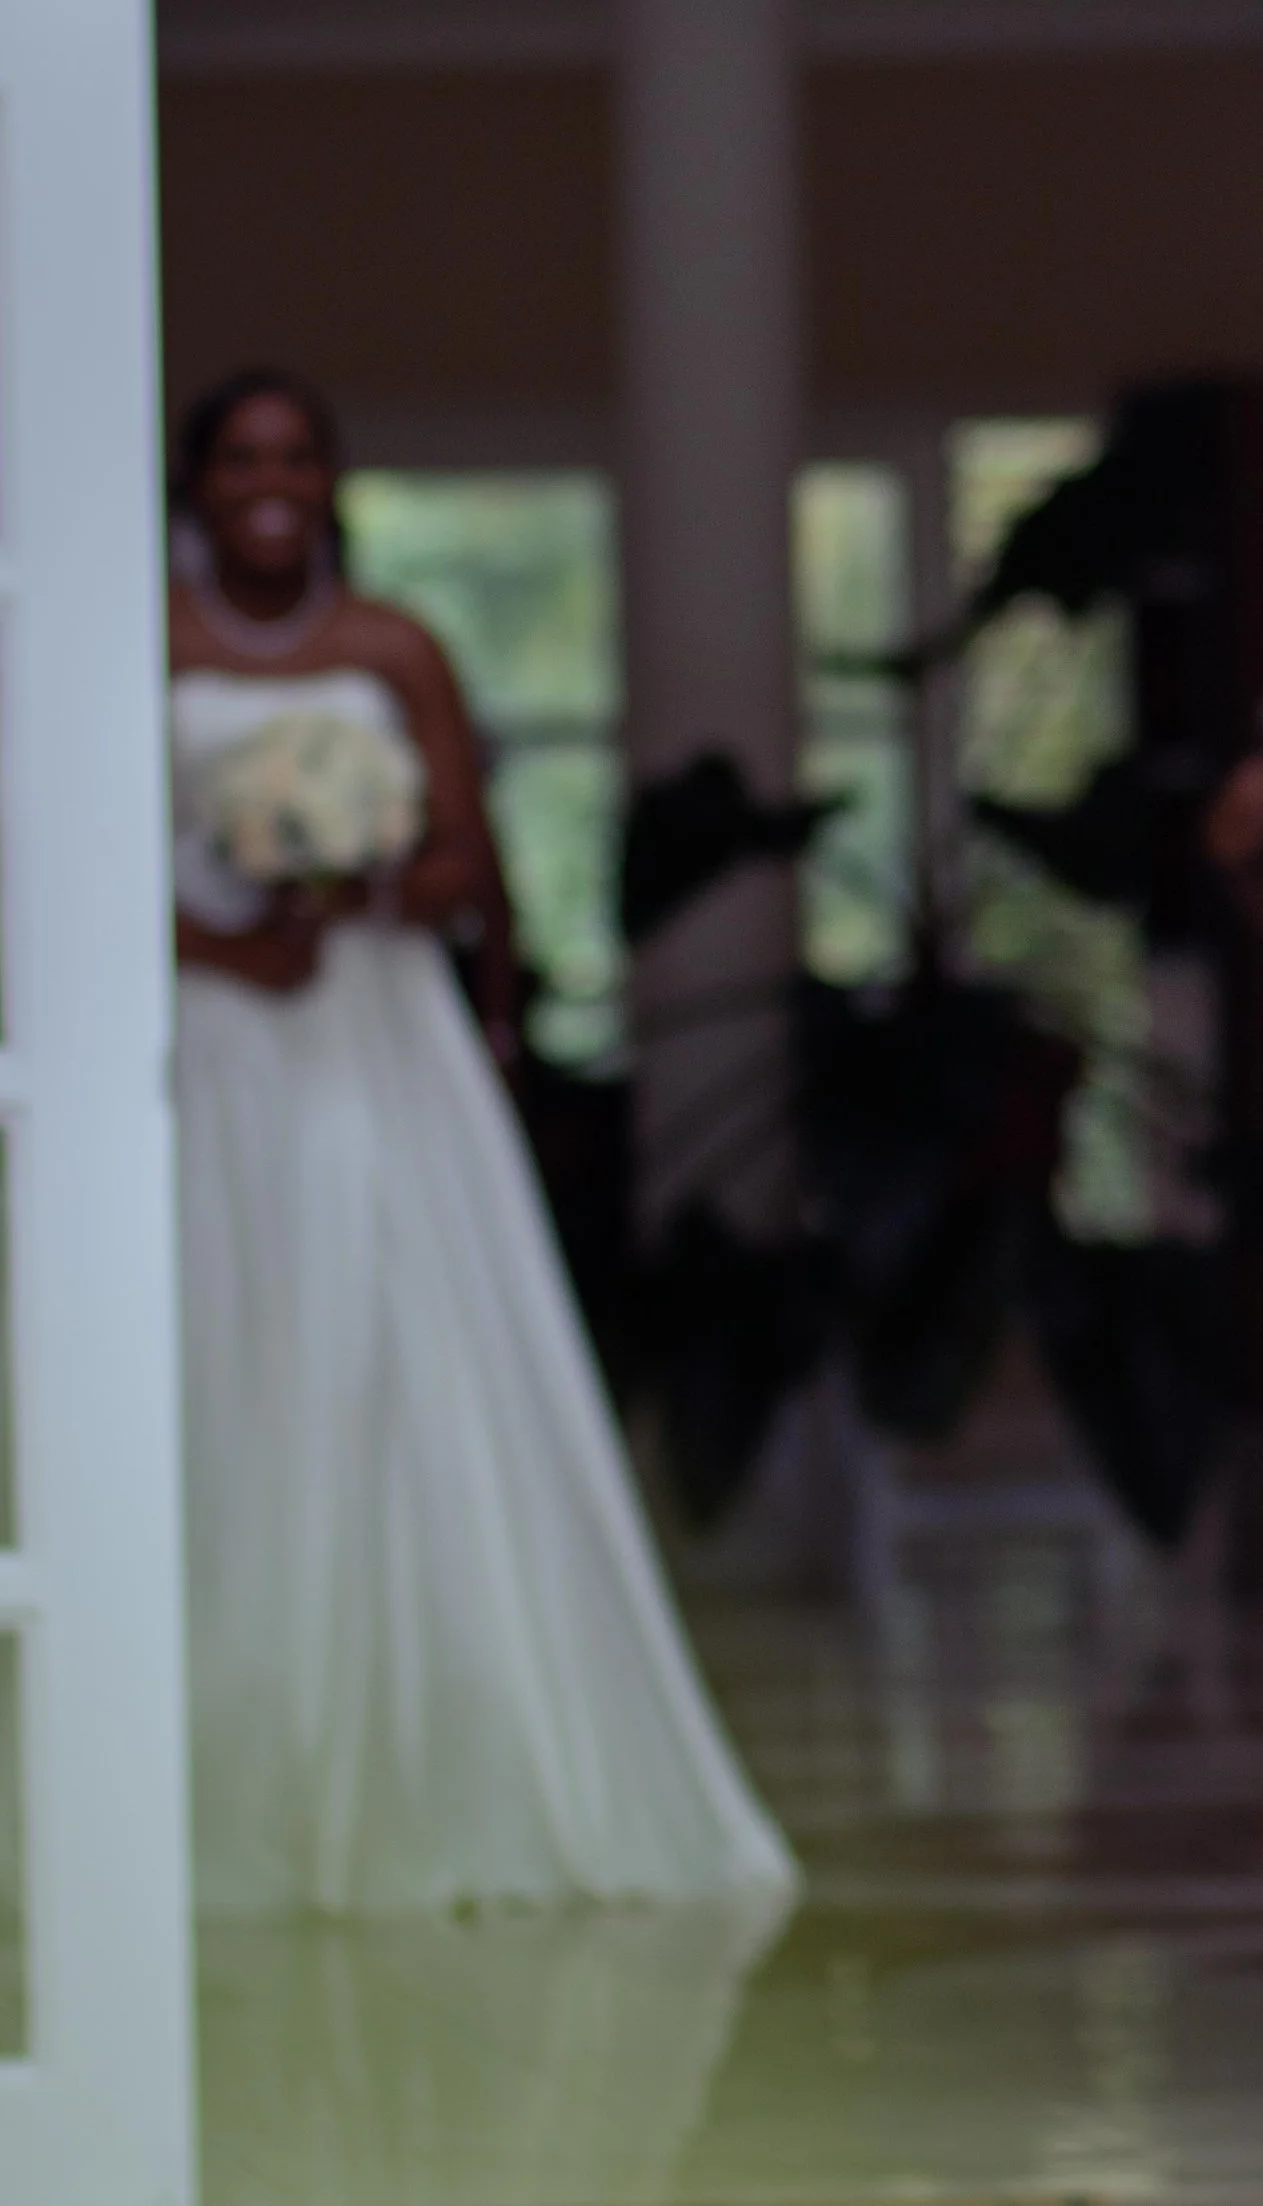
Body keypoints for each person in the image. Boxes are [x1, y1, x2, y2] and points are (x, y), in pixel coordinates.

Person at [170, 366, 796, 1915]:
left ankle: (431, 1752)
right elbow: (58, 851)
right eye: (243, 454)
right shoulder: (137, 642)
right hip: (201, 1043)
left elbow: (469, 859)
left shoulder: (398, 647)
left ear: (333, 482)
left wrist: (361, 877)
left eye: (300, 454)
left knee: (396, 1355)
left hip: (372, 1037)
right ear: (196, 483)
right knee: (212, 1359)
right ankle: (204, 1771)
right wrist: (218, 935)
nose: (272, 480)